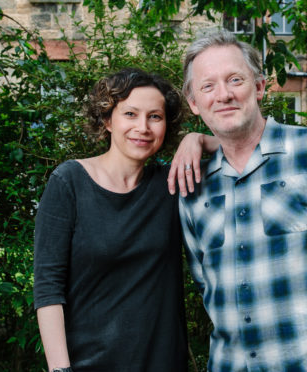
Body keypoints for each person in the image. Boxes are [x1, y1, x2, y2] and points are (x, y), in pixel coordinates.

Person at [173, 31, 307, 372]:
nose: (224, 94)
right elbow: (204, 280)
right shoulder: (195, 184)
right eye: (208, 86)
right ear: (193, 103)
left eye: (235, 80)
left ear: (260, 87)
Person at [33, 68, 214, 372]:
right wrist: (60, 369)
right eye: (130, 114)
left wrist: (199, 141)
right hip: (87, 365)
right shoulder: (69, 182)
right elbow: (48, 288)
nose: (142, 127)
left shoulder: (172, 183)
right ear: (107, 120)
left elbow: (244, 151)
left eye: (155, 117)